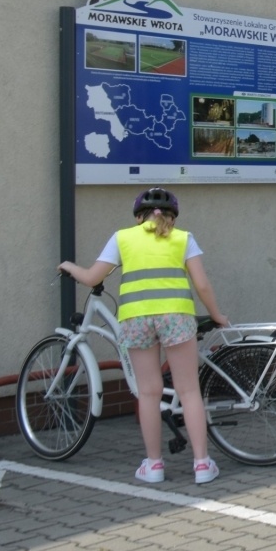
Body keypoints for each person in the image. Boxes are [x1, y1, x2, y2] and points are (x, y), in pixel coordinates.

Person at [58, 188, 230, 485]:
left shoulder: (123, 238)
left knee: (148, 393)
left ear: (139, 216)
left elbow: (92, 278)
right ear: (173, 217)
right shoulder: (183, 238)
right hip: (176, 316)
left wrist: (68, 266)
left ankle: (154, 466)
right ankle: (202, 464)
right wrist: (216, 314)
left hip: (136, 320)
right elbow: (201, 284)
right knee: (188, 390)